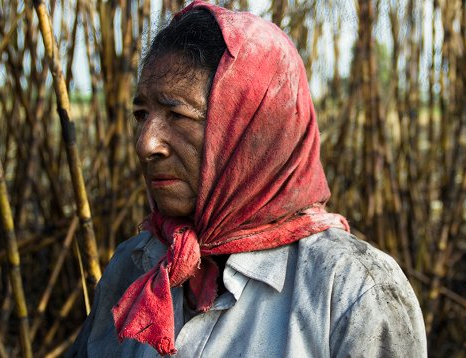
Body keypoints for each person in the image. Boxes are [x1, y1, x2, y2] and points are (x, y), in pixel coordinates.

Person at [68, 1, 426, 356]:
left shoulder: (352, 289)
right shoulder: (136, 266)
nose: (146, 144)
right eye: (141, 114)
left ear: (252, 131)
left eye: (176, 115)